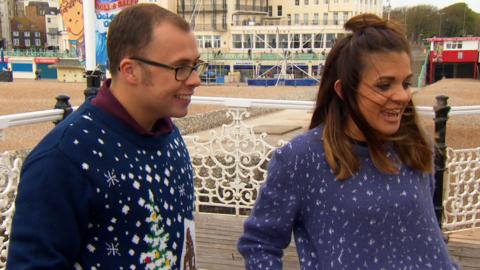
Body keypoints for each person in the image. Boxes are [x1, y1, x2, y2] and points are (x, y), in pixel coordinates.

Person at [238, 14, 458, 269]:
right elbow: (260, 244)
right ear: (343, 91)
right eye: (384, 85)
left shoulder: (418, 148)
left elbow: (427, 235)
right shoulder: (300, 160)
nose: (402, 96)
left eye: (405, 83)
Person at [7, 4, 207, 269]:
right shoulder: (63, 160)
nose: (195, 80)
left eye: (196, 65)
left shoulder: (168, 134)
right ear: (130, 70)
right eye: (181, 67)